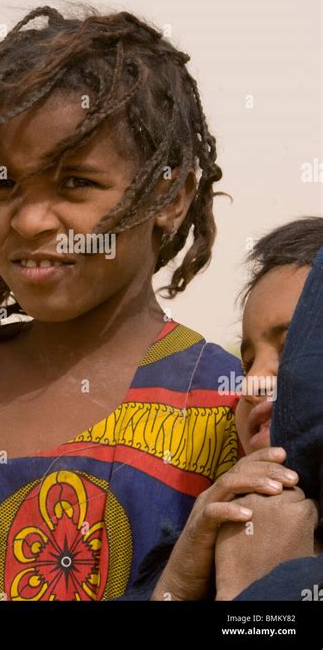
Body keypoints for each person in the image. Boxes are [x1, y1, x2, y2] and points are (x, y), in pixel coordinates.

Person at [0, 2, 288, 602]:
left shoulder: (227, 405)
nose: (28, 219)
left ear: (172, 197)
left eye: (75, 182)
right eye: (3, 183)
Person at [115, 217, 323, 601]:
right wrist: (173, 586)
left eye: (291, 346)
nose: (250, 384)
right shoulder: (203, 550)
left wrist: (252, 590)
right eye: (247, 364)